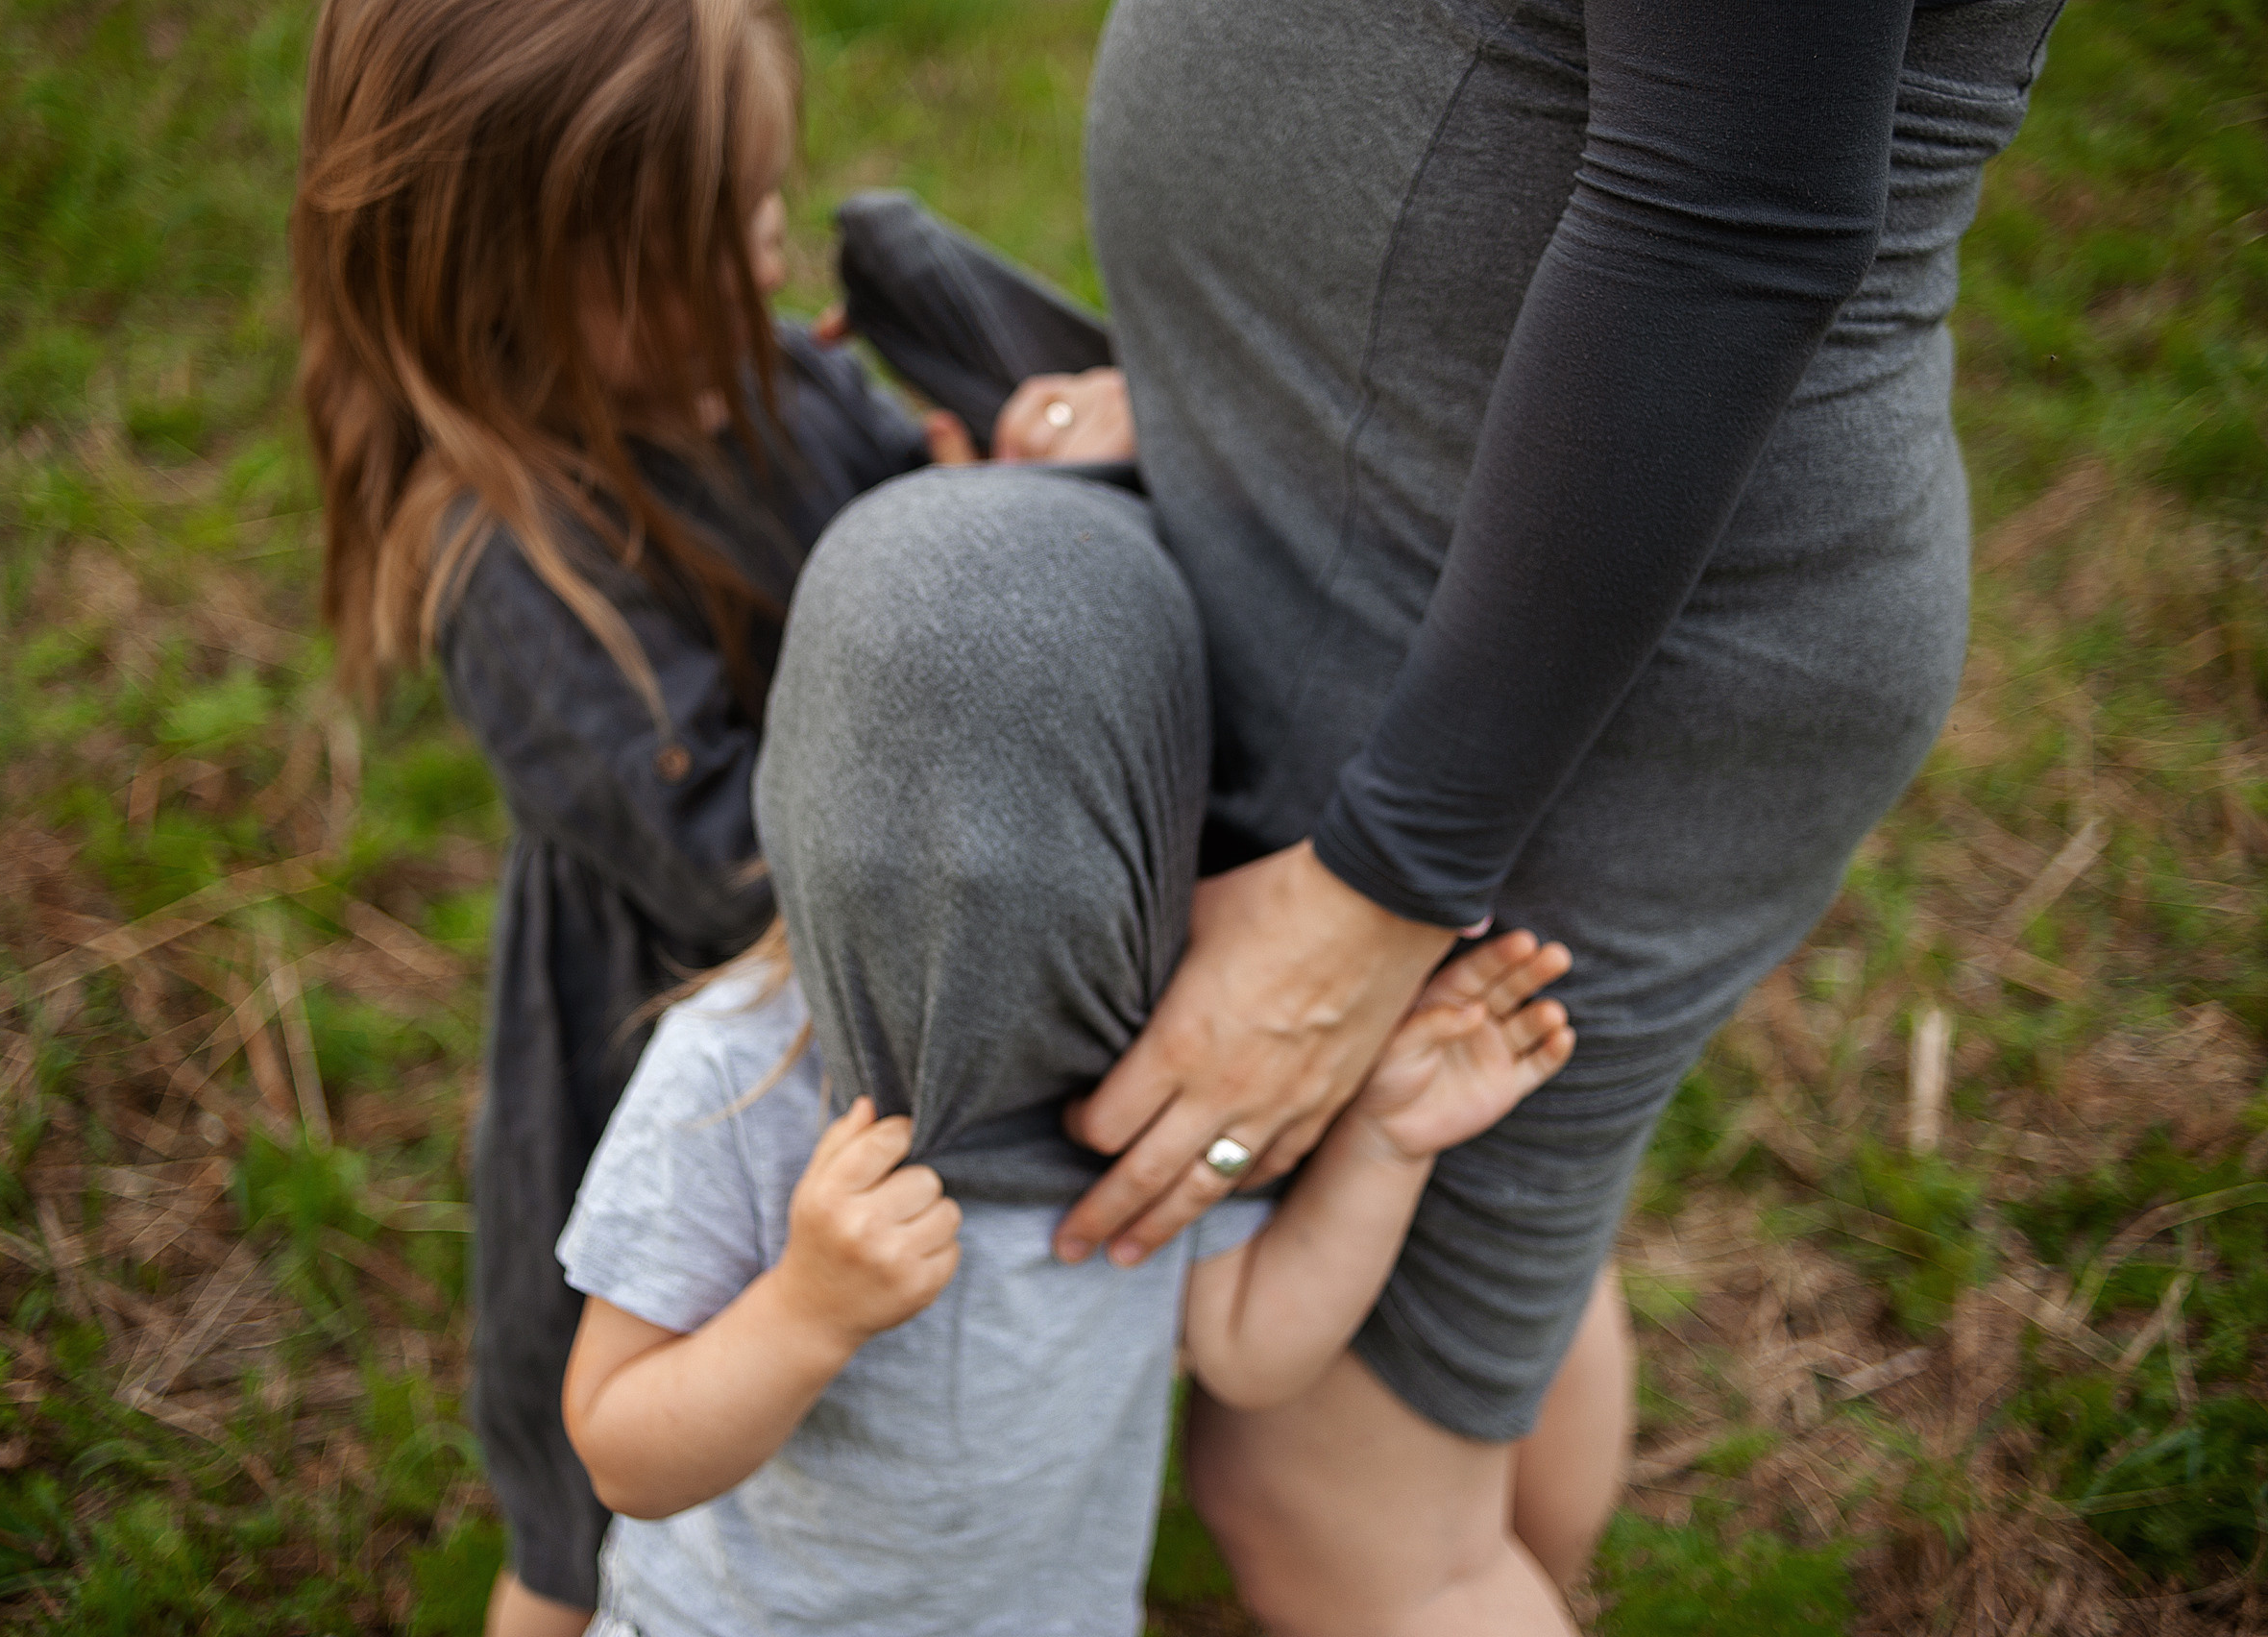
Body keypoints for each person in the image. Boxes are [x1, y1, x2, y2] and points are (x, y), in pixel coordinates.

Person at [792, 0, 2067, 1629]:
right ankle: (1521, 1570)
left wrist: (1386, 881)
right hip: (1427, 573)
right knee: (1480, 1321)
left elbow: (1729, 223)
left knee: (1345, 1512)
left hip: (1568, 667)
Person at [551, 475, 1579, 1631]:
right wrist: (804, 1312)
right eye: (899, 858)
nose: (969, 925)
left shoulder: (1162, 1071)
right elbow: (624, 1453)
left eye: (1043, 889)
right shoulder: (733, 1080)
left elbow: (1245, 1348)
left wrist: (1384, 1144)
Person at [286, 2, 1002, 1627]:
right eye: (705, 241)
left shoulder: (771, 382)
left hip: (845, 968)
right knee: (589, 1471)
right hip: (662, 1039)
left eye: (760, 211)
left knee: (814, 1426)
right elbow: (722, 861)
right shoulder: (506, 562)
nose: (763, 265)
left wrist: (987, 492)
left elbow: (909, 497)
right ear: (513, 283)